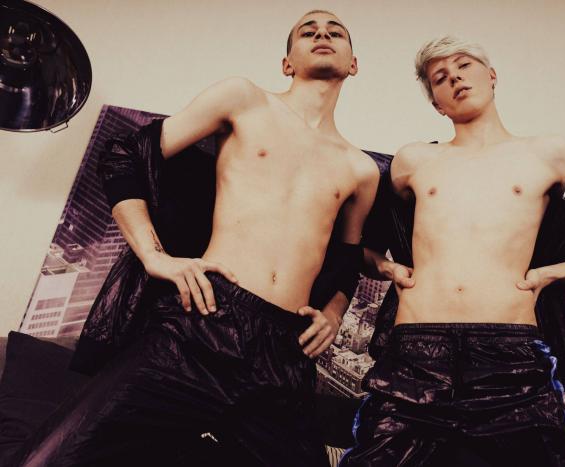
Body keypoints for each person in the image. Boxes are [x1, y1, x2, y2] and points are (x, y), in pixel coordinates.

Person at [12, 10, 380, 467]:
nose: (322, 34)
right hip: (205, 321)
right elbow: (125, 154)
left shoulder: (360, 169)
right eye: (308, 31)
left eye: (335, 32)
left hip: (284, 350)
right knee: (56, 456)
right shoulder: (244, 99)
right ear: (287, 63)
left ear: (353, 63)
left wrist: (334, 312)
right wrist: (155, 256)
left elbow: (347, 255)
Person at [341, 36, 565, 467]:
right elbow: (361, 247)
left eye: (464, 66)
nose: (455, 78)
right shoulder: (411, 162)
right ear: (437, 104)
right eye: (441, 77)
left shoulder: (552, 154)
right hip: (418, 350)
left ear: (492, 76)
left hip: (509, 352)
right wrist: (387, 268)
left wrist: (549, 274)